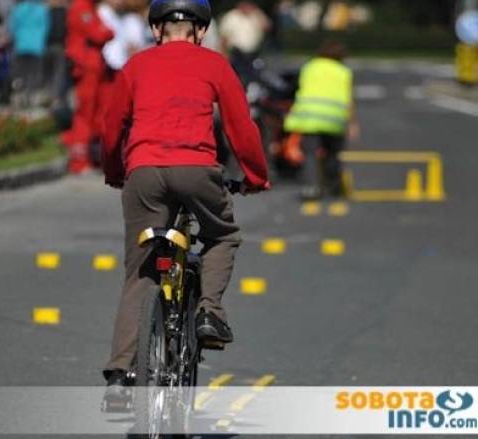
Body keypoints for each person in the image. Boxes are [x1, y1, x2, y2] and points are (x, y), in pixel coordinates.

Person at [100, 0, 270, 401]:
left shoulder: (136, 66)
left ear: (156, 30)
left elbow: (112, 125)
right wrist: (256, 175)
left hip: (142, 172)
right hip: (196, 170)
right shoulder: (214, 65)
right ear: (201, 31)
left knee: (140, 271)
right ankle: (209, 311)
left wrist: (113, 170)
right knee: (222, 235)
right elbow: (240, 126)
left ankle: (121, 374)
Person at [283, 39, 358, 200]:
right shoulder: (344, 71)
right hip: (334, 120)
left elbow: (297, 88)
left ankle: (311, 188)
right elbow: (349, 99)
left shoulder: (309, 67)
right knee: (332, 154)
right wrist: (352, 123)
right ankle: (334, 186)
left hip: (310, 118)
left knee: (310, 154)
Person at [62, 0, 114, 173]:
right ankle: (79, 160)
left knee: (100, 112)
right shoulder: (81, 7)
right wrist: (106, 32)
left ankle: (96, 156)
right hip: (85, 67)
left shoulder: (90, 7)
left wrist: (106, 32)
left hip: (95, 66)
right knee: (85, 114)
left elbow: (105, 31)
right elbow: (99, 33)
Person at [9, 0, 51, 106]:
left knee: (21, 72)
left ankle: (21, 95)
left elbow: (12, 27)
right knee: (34, 73)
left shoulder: (18, 9)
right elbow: (47, 28)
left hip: (21, 44)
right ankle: (31, 96)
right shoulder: (42, 9)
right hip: (37, 45)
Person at [219, 1, 271, 84]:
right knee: (239, 78)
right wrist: (224, 54)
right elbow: (224, 37)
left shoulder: (255, 15)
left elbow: (267, 27)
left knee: (254, 77)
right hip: (237, 54)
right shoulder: (231, 16)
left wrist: (258, 13)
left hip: (254, 53)